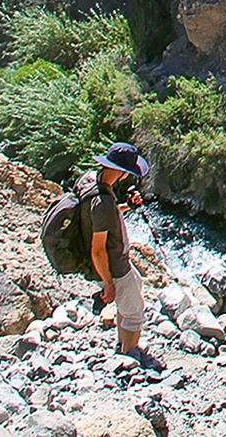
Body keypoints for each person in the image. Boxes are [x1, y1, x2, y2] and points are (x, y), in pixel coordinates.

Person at [83, 142, 156, 369]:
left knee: (137, 283)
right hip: (116, 266)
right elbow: (98, 249)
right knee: (135, 315)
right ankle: (129, 361)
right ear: (123, 172)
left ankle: (122, 346)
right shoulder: (103, 202)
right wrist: (108, 284)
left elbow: (105, 215)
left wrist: (126, 206)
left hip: (120, 264)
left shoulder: (91, 183)